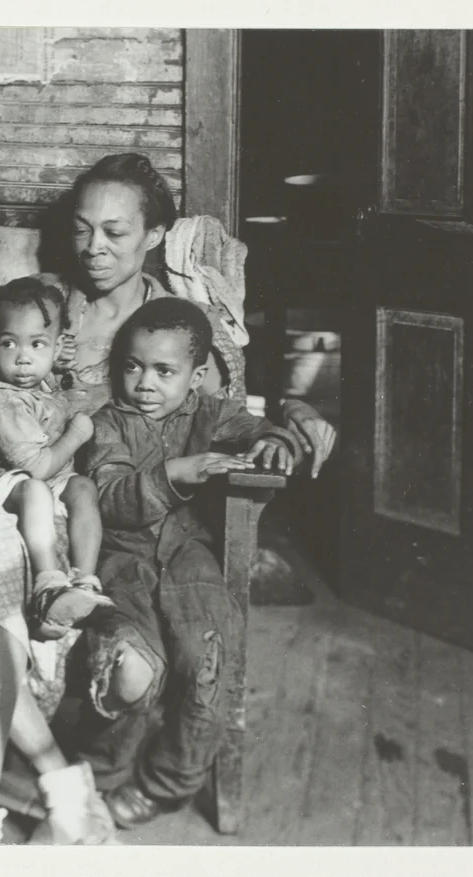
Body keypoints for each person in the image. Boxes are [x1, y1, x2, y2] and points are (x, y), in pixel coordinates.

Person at [0, 152, 336, 843]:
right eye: (84, 230)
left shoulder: (173, 323)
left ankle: (17, 782)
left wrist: (293, 419)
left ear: (154, 236)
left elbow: (226, 412)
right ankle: (34, 779)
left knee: (54, 602)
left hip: (106, 517)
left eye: (116, 233)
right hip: (26, 498)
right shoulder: (45, 304)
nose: (94, 249)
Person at [80, 297, 298, 825]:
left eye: (164, 370)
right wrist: (177, 473)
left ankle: (168, 782)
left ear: (197, 375)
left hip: (188, 555)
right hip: (122, 560)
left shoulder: (211, 412)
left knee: (208, 658)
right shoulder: (109, 423)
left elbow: (253, 428)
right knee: (134, 665)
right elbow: (107, 496)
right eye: (132, 366)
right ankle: (101, 774)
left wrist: (275, 438)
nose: (145, 383)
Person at [0, 277, 113, 641]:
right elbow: (36, 467)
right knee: (35, 489)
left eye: (37, 344)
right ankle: (48, 585)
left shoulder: (41, 382)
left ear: (56, 350)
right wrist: (77, 435)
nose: (23, 357)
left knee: (84, 487)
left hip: (40, 476)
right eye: (9, 343)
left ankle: (83, 582)